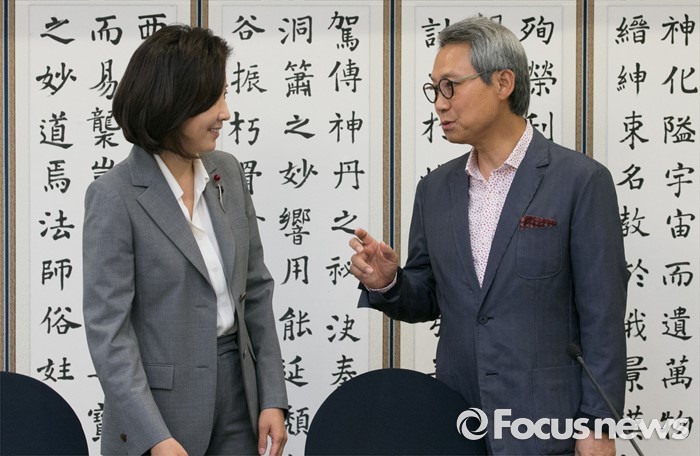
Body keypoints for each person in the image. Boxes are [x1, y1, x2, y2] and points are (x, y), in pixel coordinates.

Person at [349, 16, 628, 456]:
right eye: (434, 89)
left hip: (548, 430)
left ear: (502, 83)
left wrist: (598, 425)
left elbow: (603, 317)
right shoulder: (434, 190)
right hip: (459, 424)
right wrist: (388, 282)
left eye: (450, 86)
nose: (439, 104)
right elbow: (429, 297)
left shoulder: (579, 181)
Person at [83, 25, 288, 456]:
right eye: (213, 100)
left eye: (224, 95)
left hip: (239, 396)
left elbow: (256, 289)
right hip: (158, 412)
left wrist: (272, 396)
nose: (226, 113)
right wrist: (154, 438)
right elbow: (109, 333)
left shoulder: (227, 171)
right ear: (172, 103)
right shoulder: (114, 196)